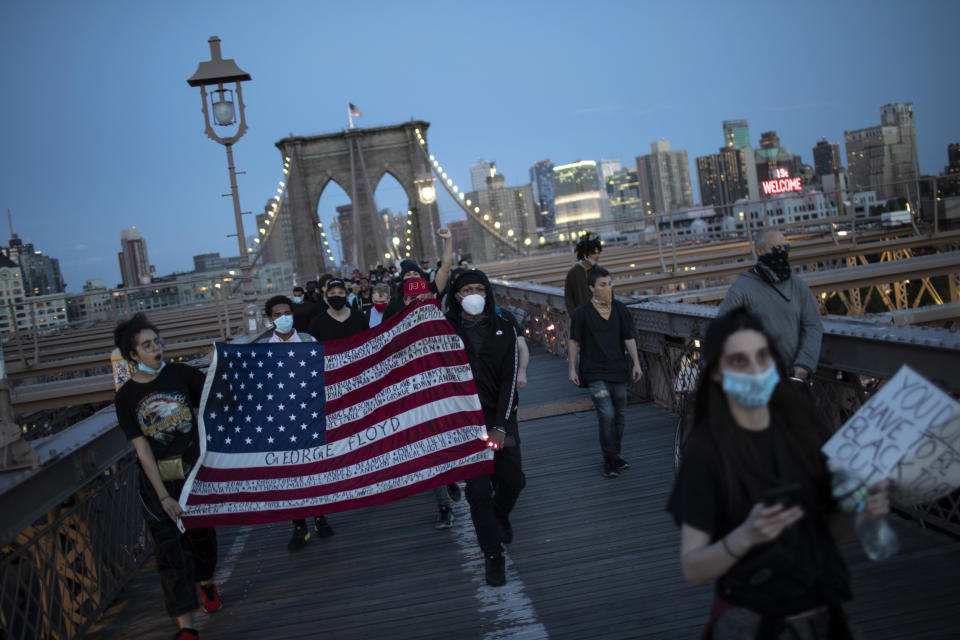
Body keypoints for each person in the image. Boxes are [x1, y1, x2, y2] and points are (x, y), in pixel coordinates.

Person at [667, 308, 891, 639]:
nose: (756, 370)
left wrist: (857, 506)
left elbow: (826, 531)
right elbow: (694, 568)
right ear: (716, 374)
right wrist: (746, 536)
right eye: (739, 361)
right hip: (755, 624)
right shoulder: (706, 454)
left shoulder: (802, 429)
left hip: (824, 618)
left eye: (762, 356)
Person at [113, 313, 221, 640]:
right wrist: (163, 497)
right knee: (170, 554)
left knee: (202, 541)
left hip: (192, 475)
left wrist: (221, 362)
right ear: (133, 355)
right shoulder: (126, 397)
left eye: (157, 341)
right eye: (147, 345)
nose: (156, 348)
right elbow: (142, 449)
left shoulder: (181, 374)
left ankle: (206, 582)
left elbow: (215, 395)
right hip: (157, 482)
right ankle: (185, 627)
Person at [446, 269, 525, 587]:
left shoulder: (505, 328)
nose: (474, 295)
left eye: (480, 289)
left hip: (501, 418)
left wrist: (502, 428)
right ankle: (493, 557)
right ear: (456, 296)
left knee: (514, 482)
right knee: (477, 494)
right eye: (467, 290)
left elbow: (510, 382)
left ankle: (501, 513)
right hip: (464, 425)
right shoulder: (444, 332)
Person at [257, 296, 335, 550]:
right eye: (277, 314)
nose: (283, 317)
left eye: (286, 312)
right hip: (282, 421)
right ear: (270, 319)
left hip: (309, 415)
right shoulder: (263, 350)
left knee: (314, 468)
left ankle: (320, 516)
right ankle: (298, 526)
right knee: (290, 474)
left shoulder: (307, 341)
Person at [398, 277, 464, 528]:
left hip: (443, 396)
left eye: (421, 297)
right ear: (403, 301)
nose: (416, 303)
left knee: (445, 448)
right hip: (415, 399)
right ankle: (444, 507)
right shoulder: (395, 328)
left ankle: (450, 478)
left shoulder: (443, 322)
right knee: (429, 455)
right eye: (410, 298)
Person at [718, 229, 823, 381]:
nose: (782, 253)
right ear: (759, 251)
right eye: (777, 249)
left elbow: (813, 325)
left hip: (792, 381)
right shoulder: (741, 290)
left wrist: (804, 364)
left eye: (785, 249)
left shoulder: (797, 285)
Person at [568, 267, 643, 478]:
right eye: (602, 285)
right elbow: (574, 341)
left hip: (618, 368)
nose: (607, 288)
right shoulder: (581, 313)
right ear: (591, 287)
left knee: (620, 414)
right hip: (593, 371)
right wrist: (572, 368)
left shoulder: (620, 309)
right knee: (607, 413)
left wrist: (636, 363)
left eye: (609, 284)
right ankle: (609, 459)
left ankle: (616, 456)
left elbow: (629, 337)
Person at [307, 278, 368, 342]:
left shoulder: (360, 318)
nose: (336, 296)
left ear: (346, 296)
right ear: (326, 297)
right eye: (332, 293)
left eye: (340, 292)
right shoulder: (316, 323)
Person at [564, 234, 602, 316]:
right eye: (594, 253)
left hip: (600, 319)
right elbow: (568, 299)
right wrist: (575, 317)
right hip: (582, 320)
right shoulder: (573, 274)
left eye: (598, 253)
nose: (597, 256)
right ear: (585, 255)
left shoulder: (600, 272)